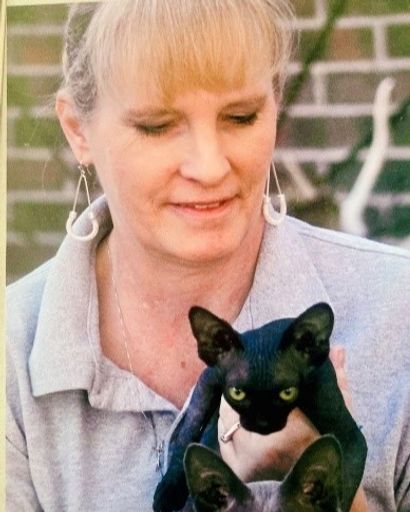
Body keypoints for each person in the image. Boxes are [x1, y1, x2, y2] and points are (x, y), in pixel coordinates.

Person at [6, 1, 410, 511]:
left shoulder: (399, 311)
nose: (210, 166)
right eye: (157, 125)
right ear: (78, 130)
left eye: (241, 117)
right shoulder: (11, 353)